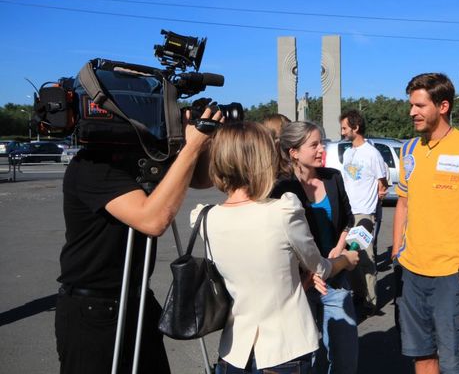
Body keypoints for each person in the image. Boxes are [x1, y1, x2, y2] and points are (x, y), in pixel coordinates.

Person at [55, 106, 222, 374]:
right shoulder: (94, 164)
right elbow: (152, 220)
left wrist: (201, 142)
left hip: (137, 302)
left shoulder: (142, 157)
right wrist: (191, 147)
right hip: (94, 311)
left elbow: (202, 178)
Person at [197, 121, 359, 374]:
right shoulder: (283, 208)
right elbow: (318, 266)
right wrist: (346, 260)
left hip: (234, 351)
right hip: (284, 349)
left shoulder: (204, 217)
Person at [392, 73, 459, 374]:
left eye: (420, 105)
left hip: (450, 275)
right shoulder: (409, 150)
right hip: (412, 272)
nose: (412, 111)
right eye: (411, 105)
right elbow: (403, 202)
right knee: (422, 355)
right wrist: (397, 250)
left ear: (443, 106)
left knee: (458, 364)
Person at [273, 121, 358, 374]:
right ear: (294, 152)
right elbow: (280, 239)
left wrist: (339, 247)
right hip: (300, 285)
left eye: (322, 143)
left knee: (345, 360)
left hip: (336, 280)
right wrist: (307, 272)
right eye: (314, 145)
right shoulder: (280, 188)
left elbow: (348, 219)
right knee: (304, 362)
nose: (322, 149)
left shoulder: (333, 177)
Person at [339, 109, 388, 314]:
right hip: (348, 213)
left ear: (355, 128)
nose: (342, 132)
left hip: (364, 214)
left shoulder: (373, 153)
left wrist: (374, 212)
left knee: (367, 259)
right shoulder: (348, 152)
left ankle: (371, 302)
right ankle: (358, 295)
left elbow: (382, 185)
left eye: (344, 128)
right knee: (350, 258)